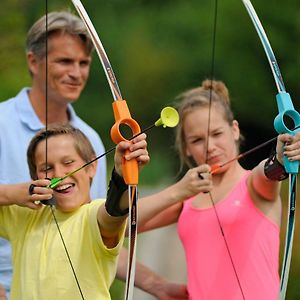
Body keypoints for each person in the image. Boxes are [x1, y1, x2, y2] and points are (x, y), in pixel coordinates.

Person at [0, 11, 188, 299]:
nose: (77, 73)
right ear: (33, 62)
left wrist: (122, 176)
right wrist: (14, 193)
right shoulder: (2, 122)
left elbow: (103, 223)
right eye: (65, 61)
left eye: (84, 63)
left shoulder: (90, 140)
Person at [136, 79, 300, 299]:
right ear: (185, 149)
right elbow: (120, 225)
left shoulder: (253, 184)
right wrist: (178, 191)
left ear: (234, 130)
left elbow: (270, 172)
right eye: (196, 140)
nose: (210, 147)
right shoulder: (186, 198)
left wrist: (280, 158)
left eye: (217, 134)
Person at [0, 124, 149, 299]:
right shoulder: (26, 214)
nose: (59, 174)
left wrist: (122, 176)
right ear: (36, 178)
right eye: (46, 168)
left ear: (92, 166)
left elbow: (114, 211)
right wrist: (10, 194)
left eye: (68, 163)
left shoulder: (93, 215)